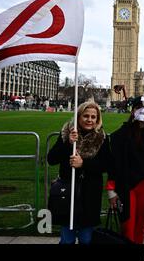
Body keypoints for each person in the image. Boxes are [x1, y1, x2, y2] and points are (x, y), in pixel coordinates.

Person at [47, 101, 111, 244]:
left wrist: (84, 164)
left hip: (89, 194)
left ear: (97, 119)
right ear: (78, 117)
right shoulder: (67, 134)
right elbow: (51, 159)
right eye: (85, 116)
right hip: (68, 193)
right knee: (67, 239)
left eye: (93, 117)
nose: (89, 120)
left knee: (86, 238)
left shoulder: (101, 138)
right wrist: (68, 143)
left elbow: (107, 165)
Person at [106, 96, 144, 244]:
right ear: (133, 110)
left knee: (140, 225)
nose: (142, 111)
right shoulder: (121, 135)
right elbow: (113, 164)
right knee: (127, 225)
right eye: (139, 108)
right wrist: (111, 189)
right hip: (126, 185)